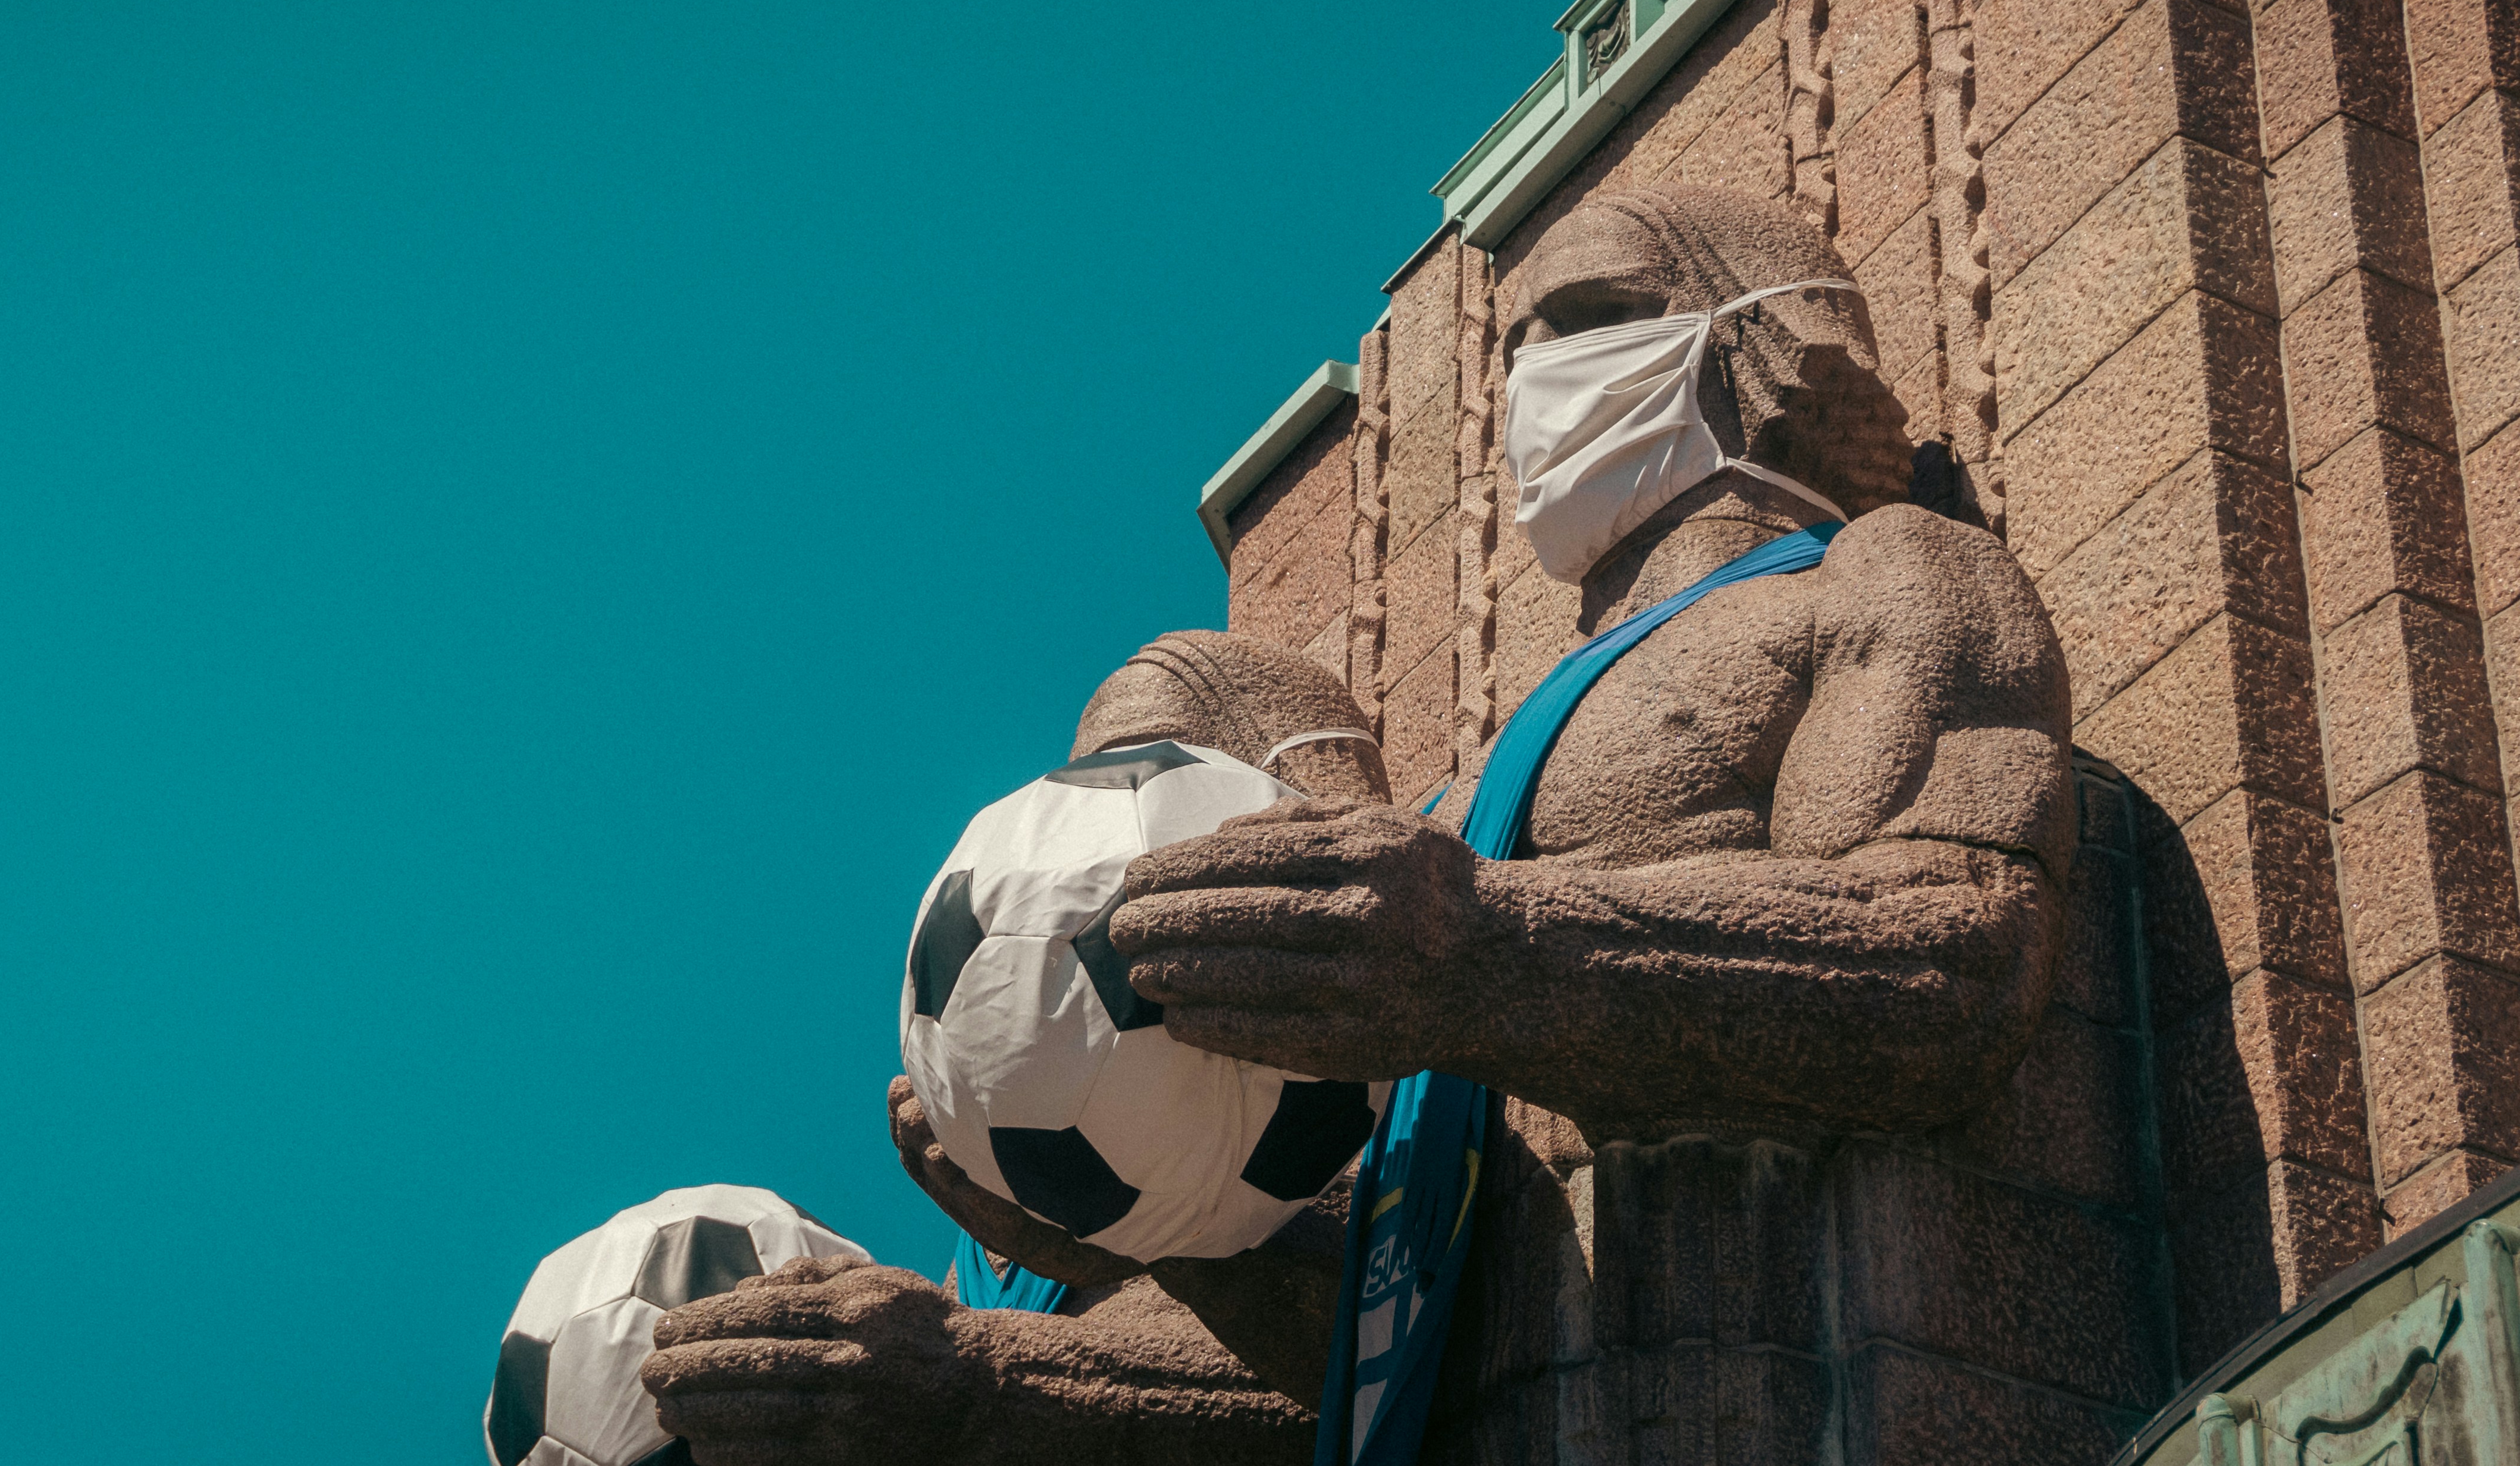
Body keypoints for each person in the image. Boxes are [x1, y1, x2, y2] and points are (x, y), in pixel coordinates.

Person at [649, 184, 2076, 1464]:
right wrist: (1094, 1276)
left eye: (1585, 319)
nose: (1531, 381)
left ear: (1772, 343)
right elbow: (1389, 1337)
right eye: (1511, 352)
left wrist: (1489, 952)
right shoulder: (1454, 818)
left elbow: (1947, 956)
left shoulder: (1886, 575)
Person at [638, 632, 1387, 1466]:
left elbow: (1398, 1366)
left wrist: (982, 1382)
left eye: (1160, 775)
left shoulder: (1400, 1090)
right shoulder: (989, 1261)